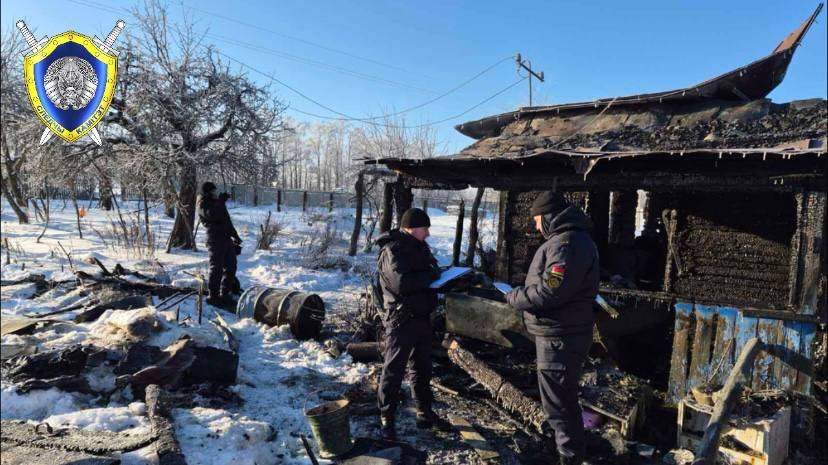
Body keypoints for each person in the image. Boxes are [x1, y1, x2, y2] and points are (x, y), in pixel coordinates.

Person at [505, 192, 599, 465]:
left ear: (548, 217)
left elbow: (550, 293)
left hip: (560, 336)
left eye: (537, 220)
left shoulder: (566, 244)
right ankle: (559, 448)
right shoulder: (571, 241)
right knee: (559, 400)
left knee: (560, 405)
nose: (536, 227)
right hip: (559, 333)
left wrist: (515, 297)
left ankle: (569, 457)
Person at [374, 207, 448, 440]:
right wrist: (431, 277)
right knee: (393, 370)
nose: (427, 233)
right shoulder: (392, 250)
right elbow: (402, 283)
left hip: (422, 317)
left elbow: (432, 269)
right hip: (401, 319)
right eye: (424, 229)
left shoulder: (420, 247)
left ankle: (424, 412)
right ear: (412, 228)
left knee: (422, 368)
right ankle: (386, 417)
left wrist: (439, 276)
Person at [197, 182, 242, 306]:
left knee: (231, 266)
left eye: (216, 191)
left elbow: (226, 220)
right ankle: (213, 296)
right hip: (215, 240)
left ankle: (225, 293)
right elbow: (213, 215)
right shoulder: (202, 204)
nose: (216, 194)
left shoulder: (217, 203)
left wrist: (235, 235)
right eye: (213, 192)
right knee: (216, 268)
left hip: (226, 238)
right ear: (207, 193)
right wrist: (221, 202)